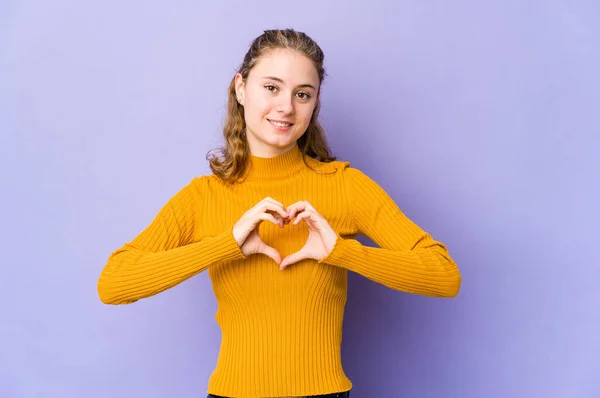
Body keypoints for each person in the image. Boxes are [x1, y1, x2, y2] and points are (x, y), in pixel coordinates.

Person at [97, 28, 462, 398]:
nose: (286, 106)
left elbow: (445, 275)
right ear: (241, 88)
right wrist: (228, 243)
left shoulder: (346, 186)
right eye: (272, 87)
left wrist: (342, 252)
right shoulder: (202, 197)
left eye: (302, 94)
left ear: (314, 104)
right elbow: (113, 283)